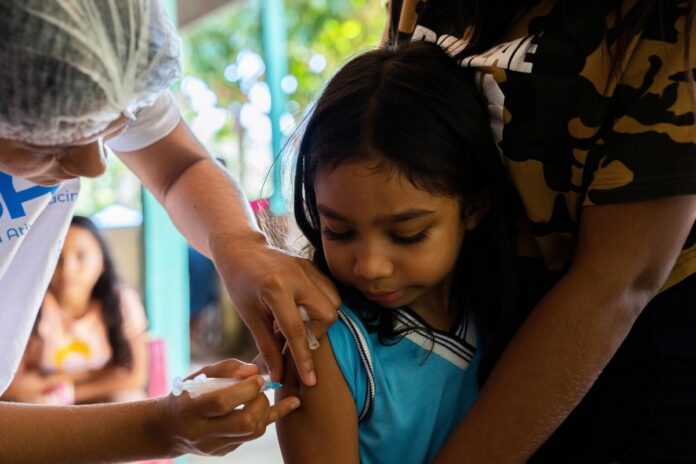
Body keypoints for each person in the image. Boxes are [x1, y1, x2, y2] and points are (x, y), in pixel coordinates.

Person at [0, 0, 337, 461]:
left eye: (110, 127)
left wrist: (237, 242)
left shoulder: (89, 64)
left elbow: (179, 166)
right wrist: (158, 429)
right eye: (52, 141)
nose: (94, 165)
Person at [381, 1, 696, 462]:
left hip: (619, 354)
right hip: (472, 318)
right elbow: (378, 145)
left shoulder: (669, 20)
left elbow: (616, 286)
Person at [276, 41, 517, 463]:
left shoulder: (501, 315)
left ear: (475, 205)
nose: (370, 267)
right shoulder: (326, 343)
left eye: (408, 234)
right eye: (338, 231)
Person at [2, 216, 148, 405]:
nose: (68, 269)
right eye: (58, 257)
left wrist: (66, 393)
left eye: (81, 256)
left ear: (102, 261)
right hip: (48, 403)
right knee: (33, 403)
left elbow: (135, 378)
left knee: (130, 399)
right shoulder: (31, 306)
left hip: (83, 399)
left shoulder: (122, 301)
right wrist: (90, 375)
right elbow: (13, 386)